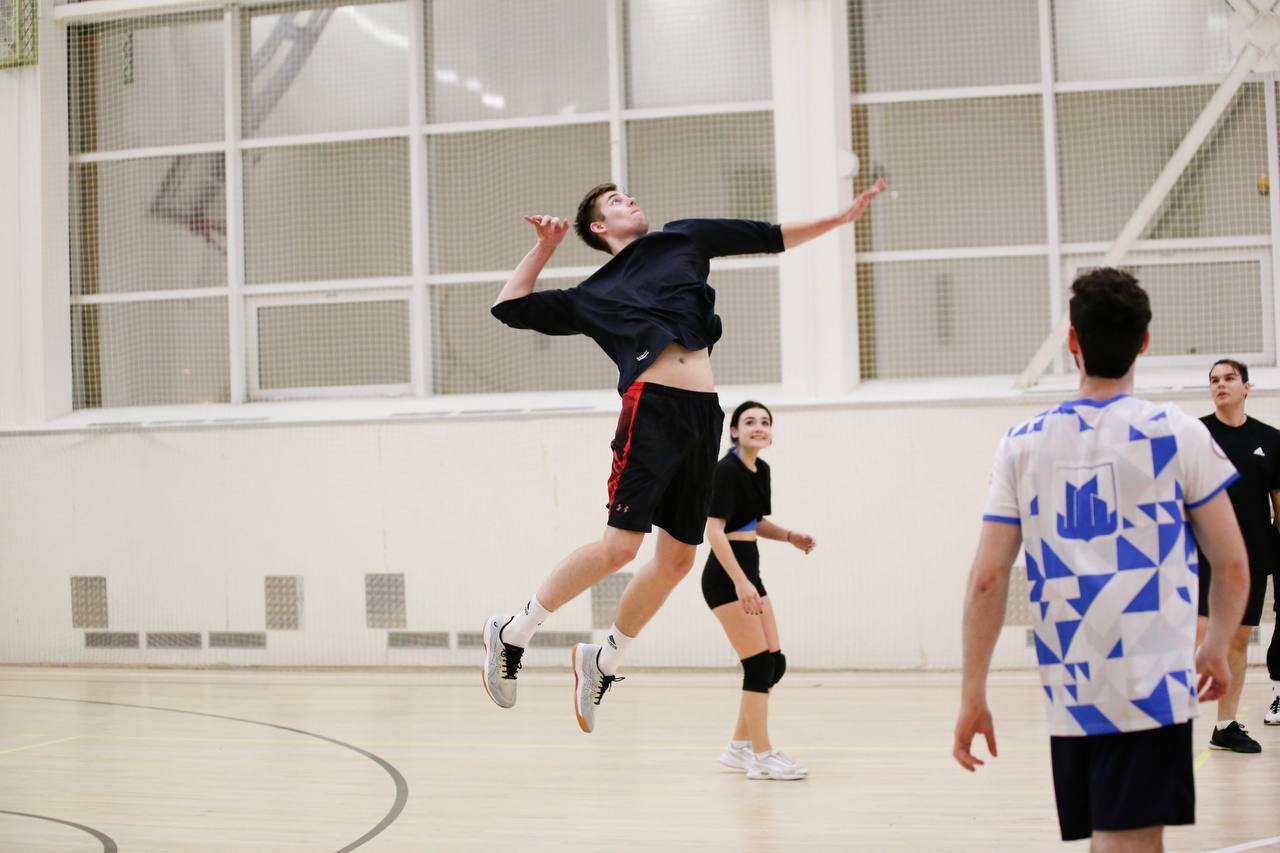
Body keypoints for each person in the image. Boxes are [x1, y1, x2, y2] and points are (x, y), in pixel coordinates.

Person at [481, 179, 885, 733]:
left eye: (628, 195)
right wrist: (544, 247)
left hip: (703, 414)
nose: (630, 200)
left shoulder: (683, 238)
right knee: (621, 547)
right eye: (615, 201)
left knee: (676, 561)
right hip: (651, 408)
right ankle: (513, 632)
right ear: (598, 227)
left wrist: (838, 220)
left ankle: (603, 661)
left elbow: (769, 236)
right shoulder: (592, 295)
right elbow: (508, 307)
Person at [953, 268, 1250, 850]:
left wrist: (973, 693)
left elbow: (987, 579)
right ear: (1145, 341)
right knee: (1131, 841)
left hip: (1071, 686)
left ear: (1073, 341)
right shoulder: (1178, 432)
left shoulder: (1022, 443)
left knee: (1115, 836)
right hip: (1154, 681)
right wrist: (1216, 647)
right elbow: (1233, 564)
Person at [700, 400, 815, 781]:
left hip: (749, 573)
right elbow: (715, 530)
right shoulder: (725, 471)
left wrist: (789, 536)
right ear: (734, 431)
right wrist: (739, 581)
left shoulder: (760, 470)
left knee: (773, 664)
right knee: (758, 665)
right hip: (726, 577)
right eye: (749, 422)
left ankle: (739, 748)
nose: (759, 427)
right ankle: (762, 755)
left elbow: (754, 522)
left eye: (765, 422)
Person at [1196, 358, 1280, 742]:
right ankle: (1162, 726)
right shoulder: (1195, 435)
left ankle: (1225, 726)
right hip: (1201, 556)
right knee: (1191, 637)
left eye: (1229, 378)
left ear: (1246, 387)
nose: (1221, 384)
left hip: (1252, 557)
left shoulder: (1270, 440)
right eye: (1214, 379)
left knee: (1238, 640)